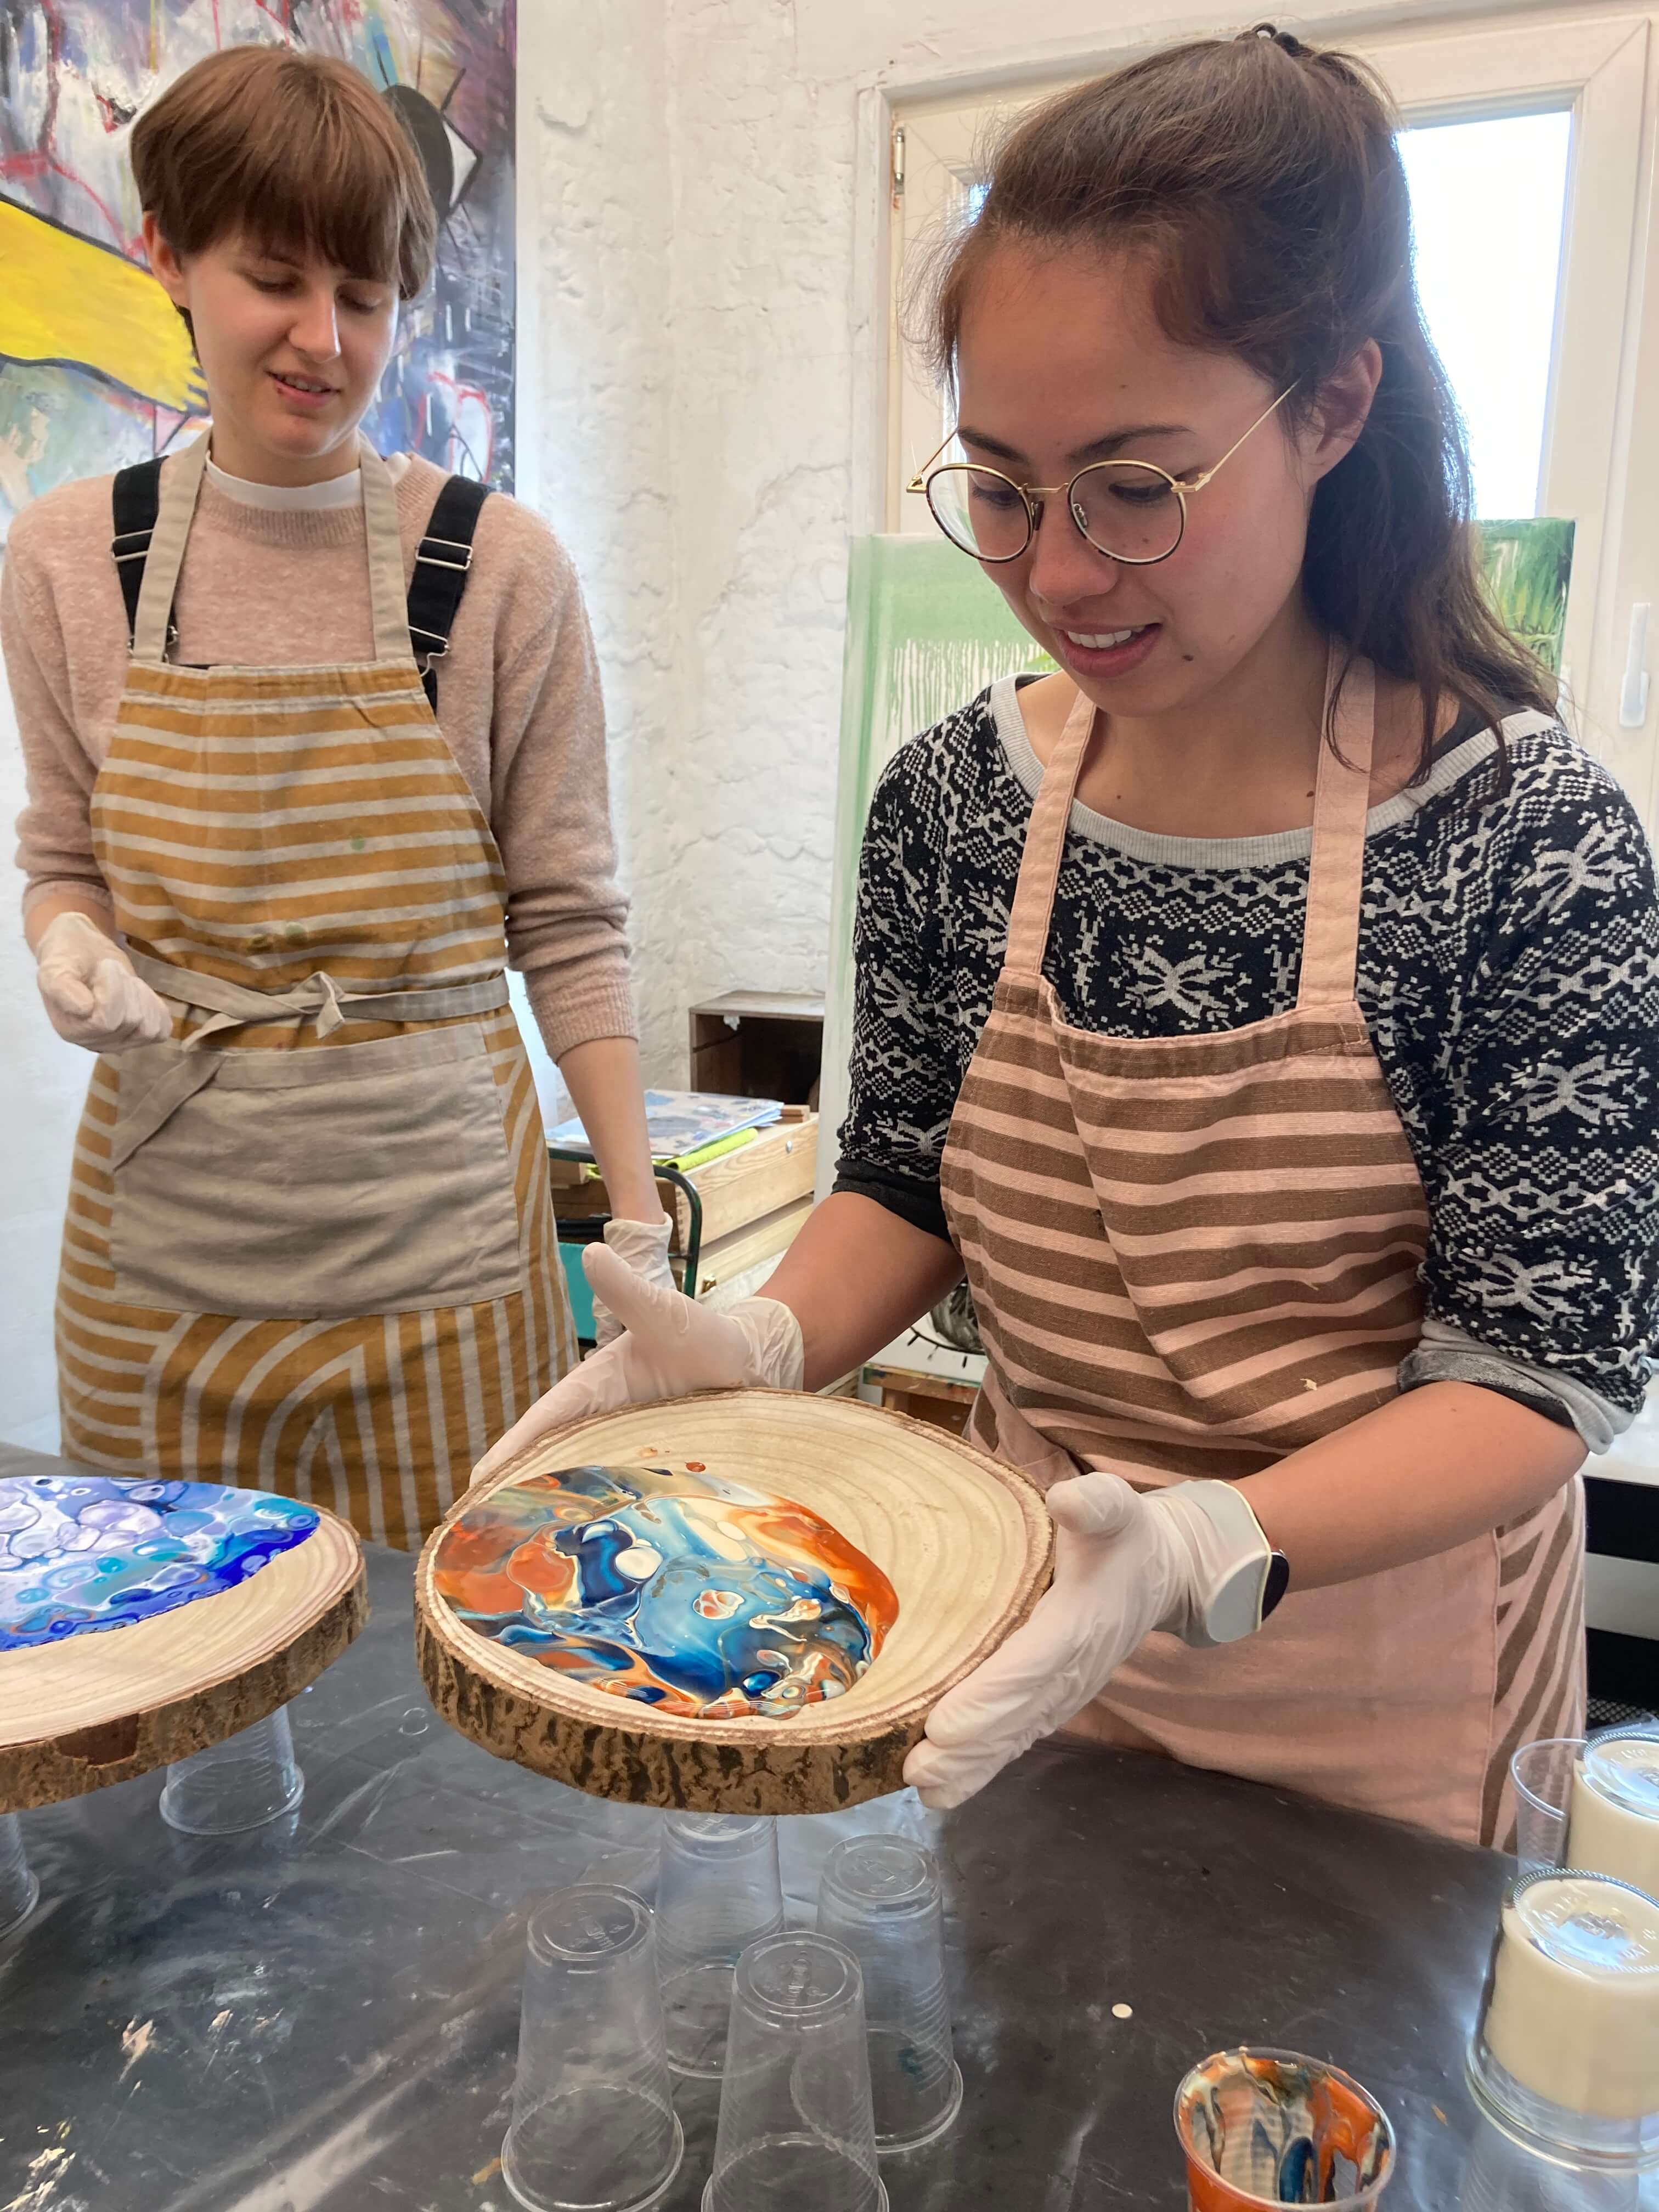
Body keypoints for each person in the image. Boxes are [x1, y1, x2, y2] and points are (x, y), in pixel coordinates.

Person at [473, 25, 1659, 1846]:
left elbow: (1538, 1367)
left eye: (1136, 487)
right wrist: (774, 1342)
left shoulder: (1525, 844)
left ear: (1334, 409)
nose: (1060, 573)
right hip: (1023, 1638)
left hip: (1387, 1701)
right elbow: (911, 1185)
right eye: (1005, 488)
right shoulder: (958, 806)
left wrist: (1207, 1535)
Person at [3, 46, 674, 1549]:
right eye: (277, 280)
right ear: (170, 254)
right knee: (167, 1663)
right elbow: (63, 852)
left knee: (449, 1681)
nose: (324, 339)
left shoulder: (497, 571)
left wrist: (634, 1227)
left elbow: (569, 918)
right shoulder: (66, 562)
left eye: (364, 299)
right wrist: (68, 944)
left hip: (443, 1271)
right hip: (161, 1264)